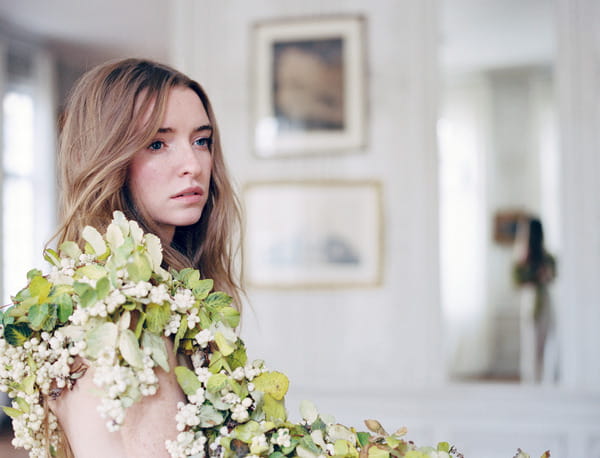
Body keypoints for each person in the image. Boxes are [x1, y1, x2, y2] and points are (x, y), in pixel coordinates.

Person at [47, 58, 243, 457]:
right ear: (106, 158)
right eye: (157, 143)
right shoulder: (120, 311)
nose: (193, 166)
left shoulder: (170, 296)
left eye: (201, 141)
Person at [513, 216, 557, 383]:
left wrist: (546, 275)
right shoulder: (523, 258)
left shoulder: (547, 257)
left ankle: (544, 378)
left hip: (544, 301)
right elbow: (516, 281)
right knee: (530, 345)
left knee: (544, 343)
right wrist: (533, 276)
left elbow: (553, 275)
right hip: (530, 302)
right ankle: (531, 380)